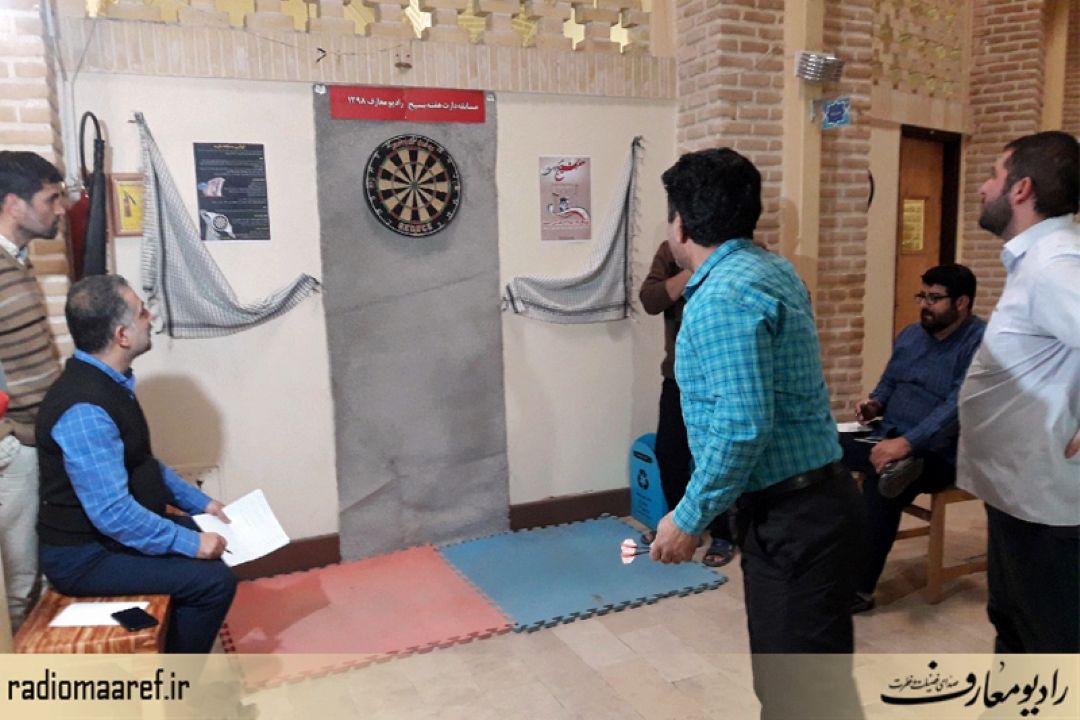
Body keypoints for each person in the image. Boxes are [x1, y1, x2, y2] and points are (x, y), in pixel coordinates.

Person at [649, 148, 863, 719]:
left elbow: (742, 426)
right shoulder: (771, 268)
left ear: (681, 224)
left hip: (796, 518)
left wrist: (688, 517)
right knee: (815, 689)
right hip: (813, 505)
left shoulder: (722, 296)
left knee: (799, 698)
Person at [36, 274, 236, 653]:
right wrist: (191, 544)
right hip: (84, 556)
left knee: (219, 537)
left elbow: (141, 462)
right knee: (214, 582)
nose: (151, 317)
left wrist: (203, 505)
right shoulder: (85, 409)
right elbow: (112, 514)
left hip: (109, 537)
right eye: (142, 312)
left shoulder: (111, 382)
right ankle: (175, 682)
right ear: (122, 335)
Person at [958, 130, 1080, 654]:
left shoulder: (1055, 264)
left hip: (1044, 503)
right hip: (1019, 493)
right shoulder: (1041, 260)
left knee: (1048, 644)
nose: (983, 187)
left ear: (1022, 189)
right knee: (1014, 628)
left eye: (993, 175)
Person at [842, 264, 985, 613]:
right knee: (819, 449)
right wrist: (874, 404)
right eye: (922, 296)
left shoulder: (981, 343)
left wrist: (907, 444)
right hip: (888, 434)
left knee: (883, 483)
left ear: (962, 302)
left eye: (934, 298)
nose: (924, 305)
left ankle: (858, 589)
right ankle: (826, 562)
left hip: (940, 450)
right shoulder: (910, 335)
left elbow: (956, 407)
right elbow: (889, 383)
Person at [639, 240, 735, 567]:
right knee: (669, 452)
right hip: (677, 374)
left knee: (716, 455)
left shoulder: (740, 254)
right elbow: (650, 299)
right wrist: (691, 271)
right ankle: (678, 524)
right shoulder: (671, 251)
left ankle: (724, 532)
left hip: (720, 376)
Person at [0, 152, 64, 632]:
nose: (59, 209)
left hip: (36, 438)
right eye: (51, 199)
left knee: (37, 579)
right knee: (18, 587)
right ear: (13, 204)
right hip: (13, 447)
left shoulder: (16, 263)